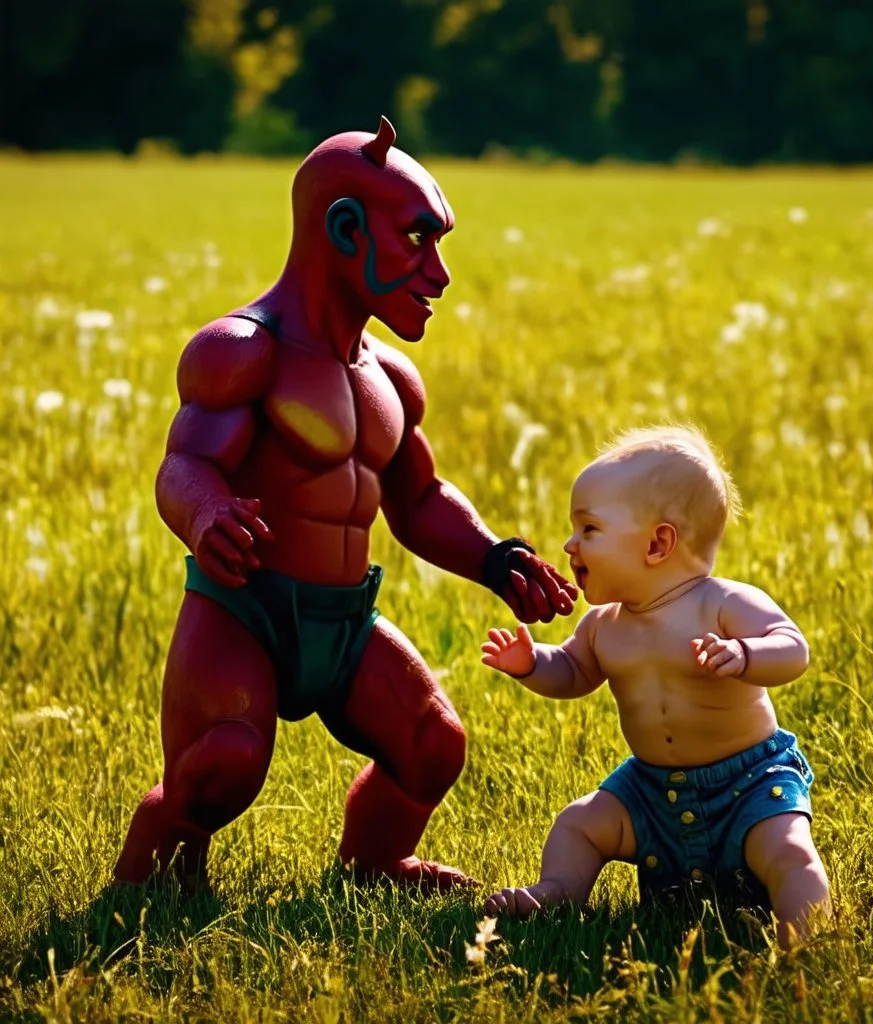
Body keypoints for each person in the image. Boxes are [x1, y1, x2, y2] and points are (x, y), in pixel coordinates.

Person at [113, 117, 577, 893]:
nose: (438, 273)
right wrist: (205, 514)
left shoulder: (390, 378)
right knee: (220, 766)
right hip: (243, 611)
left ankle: (374, 864)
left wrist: (496, 557)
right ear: (346, 229)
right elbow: (184, 464)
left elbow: (419, 498)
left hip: (345, 619)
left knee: (432, 743)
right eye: (417, 242)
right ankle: (149, 885)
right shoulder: (242, 350)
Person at [480, 425, 831, 946]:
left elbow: (792, 646)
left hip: (748, 785)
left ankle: (805, 935)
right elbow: (572, 672)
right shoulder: (604, 625)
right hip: (652, 792)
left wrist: (745, 654)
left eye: (589, 529)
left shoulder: (722, 604)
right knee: (581, 822)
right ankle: (559, 887)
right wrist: (532, 664)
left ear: (657, 543)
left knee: (788, 852)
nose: (569, 544)